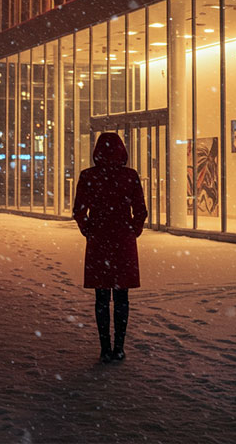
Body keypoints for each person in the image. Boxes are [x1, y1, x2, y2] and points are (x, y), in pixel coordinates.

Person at [73, 132, 147, 363]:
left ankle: (105, 347)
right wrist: (132, 229)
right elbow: (141, 210)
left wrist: (89, 230)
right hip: (123, 242)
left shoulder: (89, 176)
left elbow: (79, 210)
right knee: (122, 297)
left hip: (99, 242)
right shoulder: (130, 176)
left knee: (102, 297)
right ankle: (120, 346)